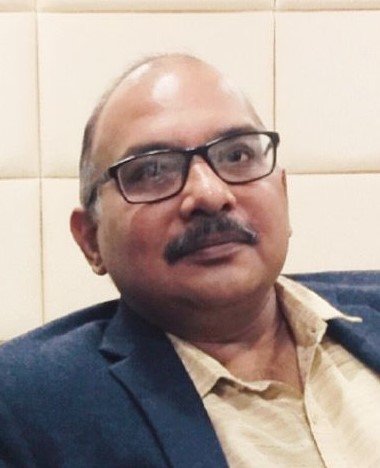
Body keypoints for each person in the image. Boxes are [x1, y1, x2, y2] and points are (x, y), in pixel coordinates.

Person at [0, 54, 379, 468]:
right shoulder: (28, 404)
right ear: (91, 239)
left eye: (237, 156)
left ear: (282, 193)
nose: (210, 194)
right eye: (152, 170)